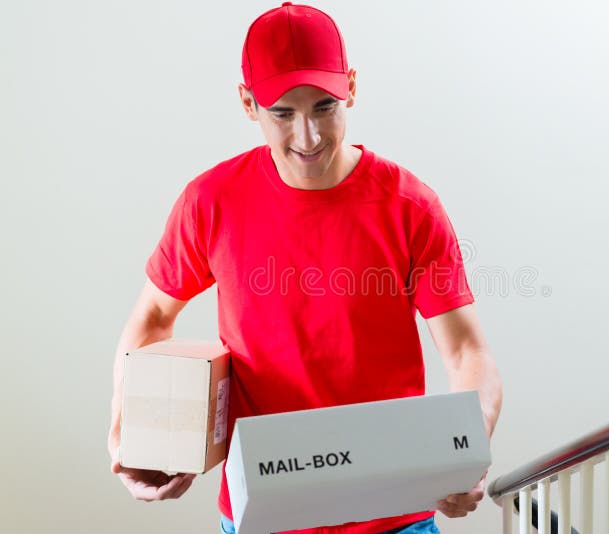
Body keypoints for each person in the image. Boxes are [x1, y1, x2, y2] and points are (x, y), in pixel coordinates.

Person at [107, 3, 502, 533]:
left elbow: (466, 350)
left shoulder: (409, 206)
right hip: (263, 511)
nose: (309, 137)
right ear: (248, 103)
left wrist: (466, 451)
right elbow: (153, 317)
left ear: (352, 89)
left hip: (392, 514)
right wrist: (128, 437)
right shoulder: (211, 202)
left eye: (323, 107)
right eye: (283, 114)